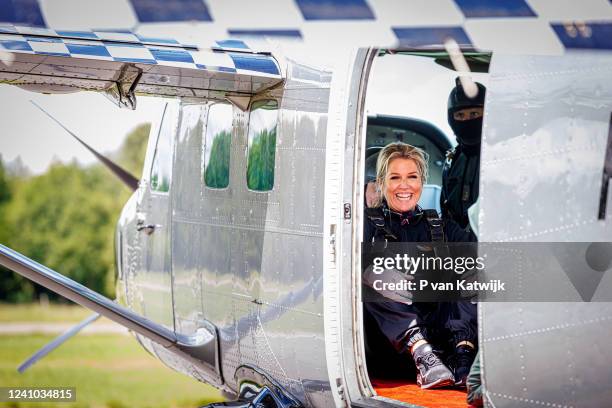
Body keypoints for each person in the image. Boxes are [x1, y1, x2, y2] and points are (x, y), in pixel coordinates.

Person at [363, 142, 477, 389]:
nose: (404, 185)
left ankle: (463, 360)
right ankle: (422, 354)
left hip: (445, 348)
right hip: (392, 350)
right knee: (373, 271)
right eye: (395, 177)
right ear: (381, 183)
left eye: (412, 177)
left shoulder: (442, 227)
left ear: (422, 182)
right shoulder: (367, 226)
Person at [442, 77, 486, 231]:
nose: (467, 121)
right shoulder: (452, 160)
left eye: (474, 114)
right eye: (460, 115)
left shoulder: (499, 156)